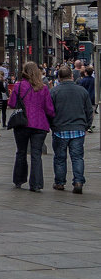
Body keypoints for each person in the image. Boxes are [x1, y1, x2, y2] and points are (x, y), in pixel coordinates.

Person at [7, 61, 54, 192]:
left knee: (21, 152)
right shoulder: (43, 88)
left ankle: (19, 179)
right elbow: (49, 108)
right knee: (36, 154)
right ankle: (36, 184)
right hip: (39, 124)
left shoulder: (19, 85)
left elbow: (12, 103)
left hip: (22, 123)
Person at [51, 65, 94, 194]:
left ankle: (59, 183)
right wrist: (86, 125)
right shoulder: (82, 91)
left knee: (59, 158)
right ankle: (78, 181)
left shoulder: (54, 91)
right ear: (71, 76)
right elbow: (89, 110)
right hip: (78, 129)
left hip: (60, 129)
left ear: (59, 77)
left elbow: (49, 111)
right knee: (77, 157)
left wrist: (52, 125)